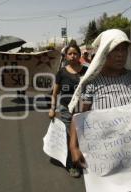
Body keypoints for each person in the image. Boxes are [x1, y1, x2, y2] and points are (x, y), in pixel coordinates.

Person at [67, 29, 131, 169]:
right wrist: (73, 147)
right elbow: (79, 116)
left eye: (124, 50)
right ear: (104, 52)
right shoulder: (92, 83)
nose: (120, 55)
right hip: (103, 157)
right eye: (115, 50)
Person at [48, 42, 87, 178]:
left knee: (82, 136)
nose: (72, 56)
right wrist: (52, 109)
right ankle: (71, 165)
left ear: (79, 55)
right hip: (66, 110)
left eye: (75, 53)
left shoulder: (86, 71)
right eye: (69, 54)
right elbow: (54, 93)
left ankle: (83, 159)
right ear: (65, 56)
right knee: (70, 137)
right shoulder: (61, 73)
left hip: (83, 109)